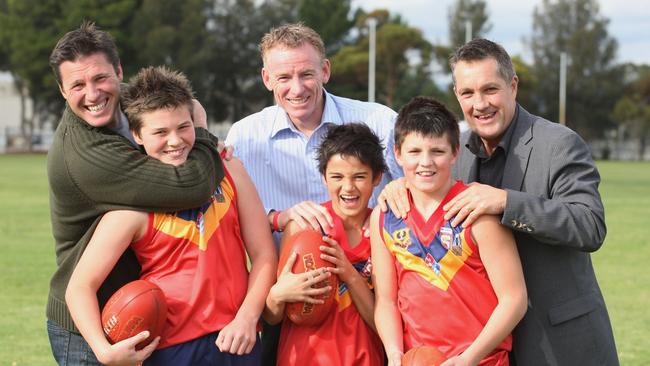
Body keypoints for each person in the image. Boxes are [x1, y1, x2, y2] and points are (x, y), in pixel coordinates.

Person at [379, 39, 619, 365]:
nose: (480, 104)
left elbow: (589, 225)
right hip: (486, 346)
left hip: (558, 341)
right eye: (467, 93)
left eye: (490, 89)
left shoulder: (559, 144)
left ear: (513, 86)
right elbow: (425, 176)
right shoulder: (455, 150)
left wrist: (507, 202)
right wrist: (398, 187)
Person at [65, 66, 276, 365]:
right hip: (171, 350)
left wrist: (247, 317)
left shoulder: (229, 171)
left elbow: (264, 254)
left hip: (238, 339)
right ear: (137, 134)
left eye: (183, 127)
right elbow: (79, 287)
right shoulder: (132, 205)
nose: (175, 141)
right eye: (160, 132)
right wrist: (104, 350)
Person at [224, 23, 403, 364]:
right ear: (266, 79)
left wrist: (393, 197)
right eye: (283, 78)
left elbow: (425, 191)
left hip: (373, 302)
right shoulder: (245, 138)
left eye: (306, 74)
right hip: (287, 297)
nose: (296, 88)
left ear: (325, 70)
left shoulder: (379, 122)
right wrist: (278, 218)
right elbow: (225, 222)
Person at [47, 22, 224, 365]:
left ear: (119, 71)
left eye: (100, 78)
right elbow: (192, 186)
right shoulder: (85, 156)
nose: (93, 94)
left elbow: (178, 106)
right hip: (91, 322)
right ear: (62, 90)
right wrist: (202, 135)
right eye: (78, 85)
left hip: (139, 304)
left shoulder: (130, 102)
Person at [371, 96, 527, 366]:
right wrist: (394, 354)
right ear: (397, 153)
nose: (426, 162)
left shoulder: (476, 212)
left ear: (455, 153)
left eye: (437, 151)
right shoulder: (385, 216)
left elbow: (514, 299)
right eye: (415, 151)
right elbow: (385, 301)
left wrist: (469, 358)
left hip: (481, 360)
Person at [264, 123, 385, 366]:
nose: (348, 187)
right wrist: (278, 294)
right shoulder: (303, 226)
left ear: (377, 178)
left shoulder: (385, 229)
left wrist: (349, 274)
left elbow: (383, 322)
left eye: (359, 176)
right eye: (337, 177)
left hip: (364, 357)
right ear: (324, 178)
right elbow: (272, 316)